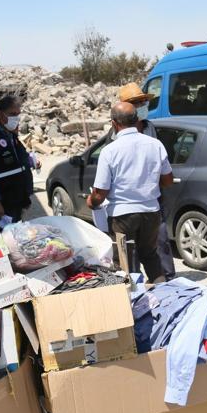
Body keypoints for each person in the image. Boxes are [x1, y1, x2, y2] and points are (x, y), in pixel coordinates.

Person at [87, 102, 174, 283]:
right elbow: (168, 181)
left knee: (124, 262)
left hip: (122, 216)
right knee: (150, 256)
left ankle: (130, 298)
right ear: (137, 120)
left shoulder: (109, 151)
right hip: (151, 212)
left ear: (114, 123)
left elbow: (100, 192)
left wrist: (92, 201)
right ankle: (163, 293)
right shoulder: (155, 145)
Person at [113, 82, 175, 280]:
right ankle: (136, 283)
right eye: (137, 103)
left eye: (143, 102)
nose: (141, 106)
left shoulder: (149, 128)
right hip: (128, 203)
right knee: (130, 252)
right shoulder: (115, 137)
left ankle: (166, 278)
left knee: (159, 242)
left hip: (152, 199)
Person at [0, 96, 39, 223]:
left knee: (17, 231)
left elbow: (17, 161)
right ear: (0, 115)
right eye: (13, 114)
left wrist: (31, 162)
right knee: (6, 234)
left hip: (17, 199)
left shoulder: (11, 136)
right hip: (3, 202)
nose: (17, 118)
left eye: (18, 114)